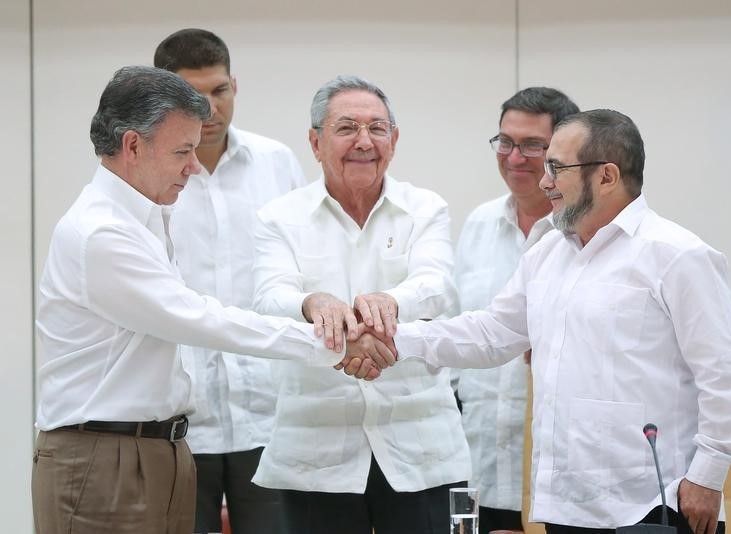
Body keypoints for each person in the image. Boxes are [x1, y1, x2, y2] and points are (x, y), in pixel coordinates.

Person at [32, 66, 392, 534]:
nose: (191, 166)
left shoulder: (144, 215)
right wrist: (336, 343)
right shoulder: (102, 232)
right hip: (105, 457)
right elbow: (198, 319)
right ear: (133, 146)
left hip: (155, 448)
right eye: (183, 151)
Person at [389, 109, 731, 534]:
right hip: (568, 503)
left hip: (655, 501)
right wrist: (394, 338)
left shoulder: (677, 256)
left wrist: (707, 474)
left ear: (607, 176)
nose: (544, 182)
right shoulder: (546, 255)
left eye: (556, 168)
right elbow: (490, 333)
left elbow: (724, 374)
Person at [250, 75, 470, 534]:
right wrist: (313, 303)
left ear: (395, 139)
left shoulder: (425, 208)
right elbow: (269, 299)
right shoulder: (279, 217)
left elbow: (438, 286)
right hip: (316, 449)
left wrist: (387, 304)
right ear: (315, 142)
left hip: (420, 443)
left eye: (377, 128)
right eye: (347, 128)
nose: (364, 142)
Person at [154, 28, 305, 534]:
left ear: (235, 85)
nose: (210, 109)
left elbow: (303, 270)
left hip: (269, 414)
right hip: (179, 421)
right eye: (193, 97)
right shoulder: (147, 176)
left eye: (220, 91)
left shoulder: (277, 162)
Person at [455, 87, 578, 534]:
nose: (514, 157)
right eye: (505, 142)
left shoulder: (585, 232)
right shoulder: (479, 224)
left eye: (532, 145)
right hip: (479, 465)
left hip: (558, 473)